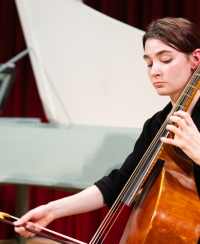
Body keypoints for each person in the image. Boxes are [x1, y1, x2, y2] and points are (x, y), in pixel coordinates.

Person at [14, 17, 200, 241]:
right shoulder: (158, 124)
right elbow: (119, 183)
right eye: (149, 63)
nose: (154, 71)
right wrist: (52, 210)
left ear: (195, 59)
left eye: (166, 60)